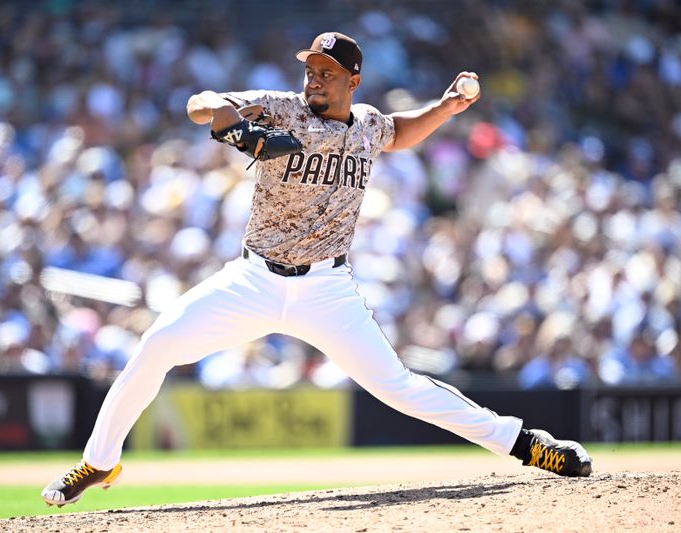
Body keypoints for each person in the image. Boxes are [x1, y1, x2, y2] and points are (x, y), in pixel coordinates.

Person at [42, 31, 592, 507]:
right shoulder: (280, 108)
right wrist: (225, 114)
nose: (313, 81)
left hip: (328, 288)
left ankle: (525, 443)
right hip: (253, 280)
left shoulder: (367, 126)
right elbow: (199, 105)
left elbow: (399, 131)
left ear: (353, 81)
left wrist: (446, 108)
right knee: (157, 344)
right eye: (309, 70)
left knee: (398, 386)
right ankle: (100, 462)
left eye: (326, 73)